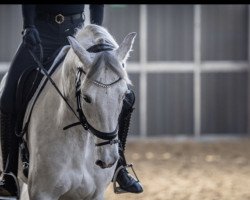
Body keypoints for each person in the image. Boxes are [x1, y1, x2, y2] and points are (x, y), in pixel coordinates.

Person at [0, 4, 143, 198]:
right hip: (41, 34)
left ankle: (119, 167)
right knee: (7, 96)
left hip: (79, 35)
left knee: (123, 96)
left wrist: (96, 31)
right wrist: (28, 26)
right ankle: (9, 174)